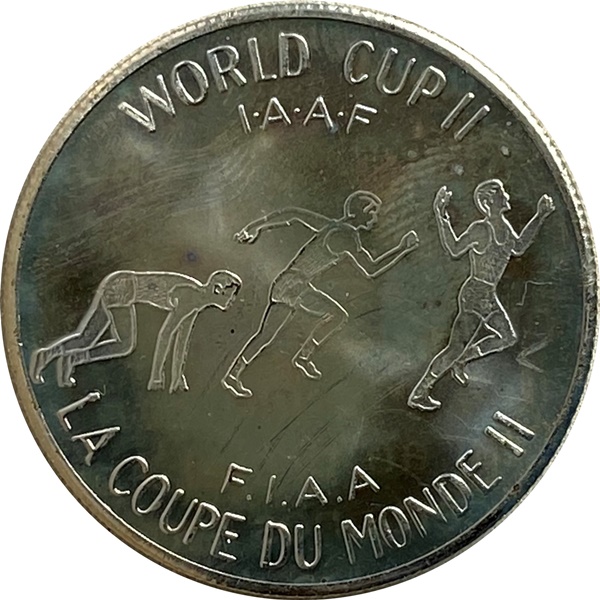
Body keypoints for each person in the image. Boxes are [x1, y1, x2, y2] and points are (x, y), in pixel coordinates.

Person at [222, 190, 419, 398]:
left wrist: (255, 226)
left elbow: (293, 214)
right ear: (359, 212)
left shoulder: (332, 226)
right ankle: (303, 357)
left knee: (266, 336)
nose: (375, 218)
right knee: (336, 316)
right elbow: (371, 268)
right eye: (372, 212)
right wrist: (402, 248)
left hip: (286, 282)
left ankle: (234, 374)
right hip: (295, 285)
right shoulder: (346, 236)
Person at [408, 179, 555, 412]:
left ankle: (463, 360)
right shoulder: (481, 229)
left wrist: (540, 216)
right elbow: (455, 248)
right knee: (454, 347)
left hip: (488, 294)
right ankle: (420, 392)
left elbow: (518, 247)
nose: (507, 196)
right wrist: (441, 215)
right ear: (488, 202)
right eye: (501, 194)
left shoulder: (504, 227)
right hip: (475, 294)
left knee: (507, 337)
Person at [29, 269, 241, 393]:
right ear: (217, 290)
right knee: (123, 344)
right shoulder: (191, 296)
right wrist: (156, 377)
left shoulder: (197, 302)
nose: (233, 301)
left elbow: (181, 341)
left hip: (121, 285)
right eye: (231, 295)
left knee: (87, 338)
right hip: (123, 288)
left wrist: (177, 378)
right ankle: (56, 357)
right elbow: (166, 334)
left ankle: (62, 357)